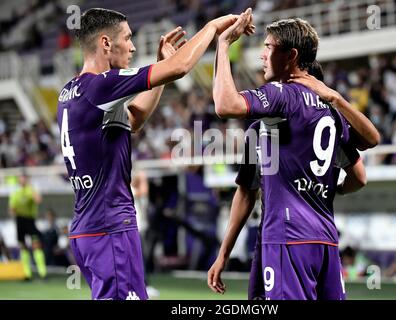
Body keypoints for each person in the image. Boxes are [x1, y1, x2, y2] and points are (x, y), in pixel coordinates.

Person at [57, 8, 254, 300]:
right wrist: (211, 28)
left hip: (87, 229)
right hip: (110, 226)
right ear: (106, 44)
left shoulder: (71, 91)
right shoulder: (101, 86)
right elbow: (182, 66)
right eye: (128, 38)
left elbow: (133, 120)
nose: (134, 46)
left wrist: (160, 67)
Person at [209, 11, 379, 299]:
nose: (262, 55)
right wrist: (322, 190)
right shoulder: (329, 110)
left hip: (286, 236)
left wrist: (223, 44)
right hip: (325, 240)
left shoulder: (281, 95)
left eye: (268, 47)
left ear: (291, 55)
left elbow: (226, 105)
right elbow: (360, 174)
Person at [8, 173, 46, 280]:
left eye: (24, 178)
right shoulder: (16, 193)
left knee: (36, 245)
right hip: (20, 221)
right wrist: (14, 214)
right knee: (23, 247)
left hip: (30, 220)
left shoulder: (30, 190)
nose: (23, 180)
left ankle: (42, 272)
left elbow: (38, 200)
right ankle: (27, 274)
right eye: (21, 178)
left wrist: (31, 188)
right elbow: (11, 207)